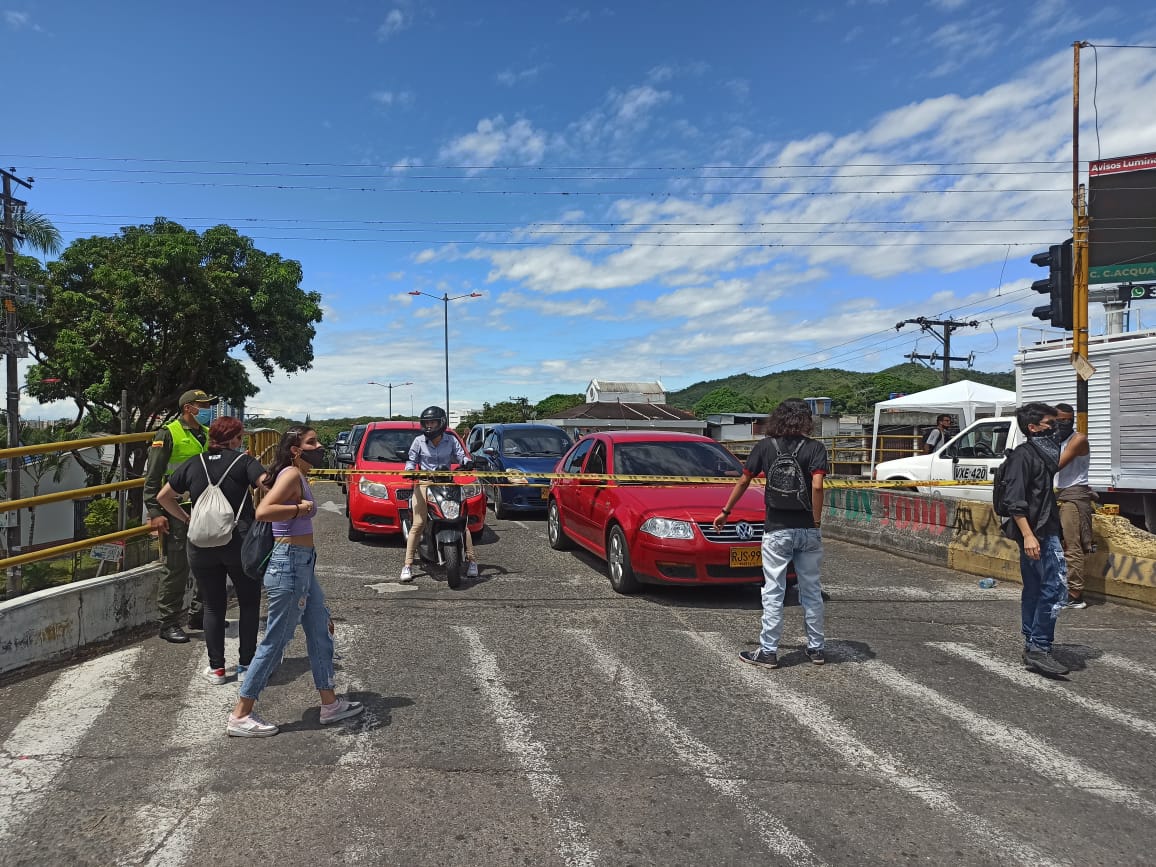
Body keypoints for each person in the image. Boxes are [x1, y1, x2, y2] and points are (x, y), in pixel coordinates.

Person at [227, 425, 364, 737]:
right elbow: (263, 511)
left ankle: (329, 703)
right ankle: (241, 714)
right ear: (295, 449)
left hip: (302, 564)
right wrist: (301, 507)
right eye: (311, 442)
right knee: (277, 641)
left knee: (320, 629)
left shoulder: (298, 475)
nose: (319, 447)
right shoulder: (290, 474)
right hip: (288, 565)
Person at [713, 398, 828, 668]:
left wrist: (726, 512)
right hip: (807, 529)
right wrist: (816, 521)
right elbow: (819, 486)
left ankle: (768, 651)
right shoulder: (815, 448)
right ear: (806, 420)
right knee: (811, 589)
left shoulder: (765, 446)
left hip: (776, 529)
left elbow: (744, 480)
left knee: (773, 590)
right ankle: (817, 648)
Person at [156, 417, 268, 685]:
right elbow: (268, 484)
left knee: (212, 606)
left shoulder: (195, 463)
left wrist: (186, 519)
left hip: (201, 544)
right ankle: (246, 665)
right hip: (238, 543)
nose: (241, 442)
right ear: (234, 439)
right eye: (240, 437)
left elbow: (163, 497)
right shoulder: (244, 462)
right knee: (249, 603)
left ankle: (217, 668)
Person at [999, 402, 1069, 677]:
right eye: (1051, 423)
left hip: (1046, 530)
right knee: (1055, 589)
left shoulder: (1042, 456)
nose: (1057, 427)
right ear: (1032, 427)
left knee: (1036, 587)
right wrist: (1028, 536)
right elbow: (1015, 502)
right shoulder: (1023, 457)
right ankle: (1040, 646)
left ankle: (1033, 643)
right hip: (1037, 534)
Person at [143, 388, 215, 643]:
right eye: (202, 405)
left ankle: (198, 615)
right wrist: (154, 512)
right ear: (188, 408)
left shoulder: (208, 435)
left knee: (207, 563)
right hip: (176, 510)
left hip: (205, 508)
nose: (207, 409)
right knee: (177, 568)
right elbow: (152, 478)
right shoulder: (168, 433)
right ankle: (168, 622)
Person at [399, 406, 479, 583]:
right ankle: (408, 565)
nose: (429, 426)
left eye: (432, 422)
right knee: (418, 523)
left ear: (441, 422)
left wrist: (467, 463)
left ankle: (472, 561)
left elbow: (461, 456)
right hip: (425, 483)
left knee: (460, 521)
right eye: (426, 423)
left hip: (447, 483)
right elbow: (411, 461)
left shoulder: (451, 440)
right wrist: (410, 471)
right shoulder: (419, 441)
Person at [1054, 402, 1092, 610]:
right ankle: (1063, 587)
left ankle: (1075, 593)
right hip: (1058, 493)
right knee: (1057, 544)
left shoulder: (1077, 439)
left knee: (1072, 544)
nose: (1064, 424)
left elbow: (1056, 464)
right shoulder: (1055, 438)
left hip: (1074, 496)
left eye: (1068, 420)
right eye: (1059, 421)